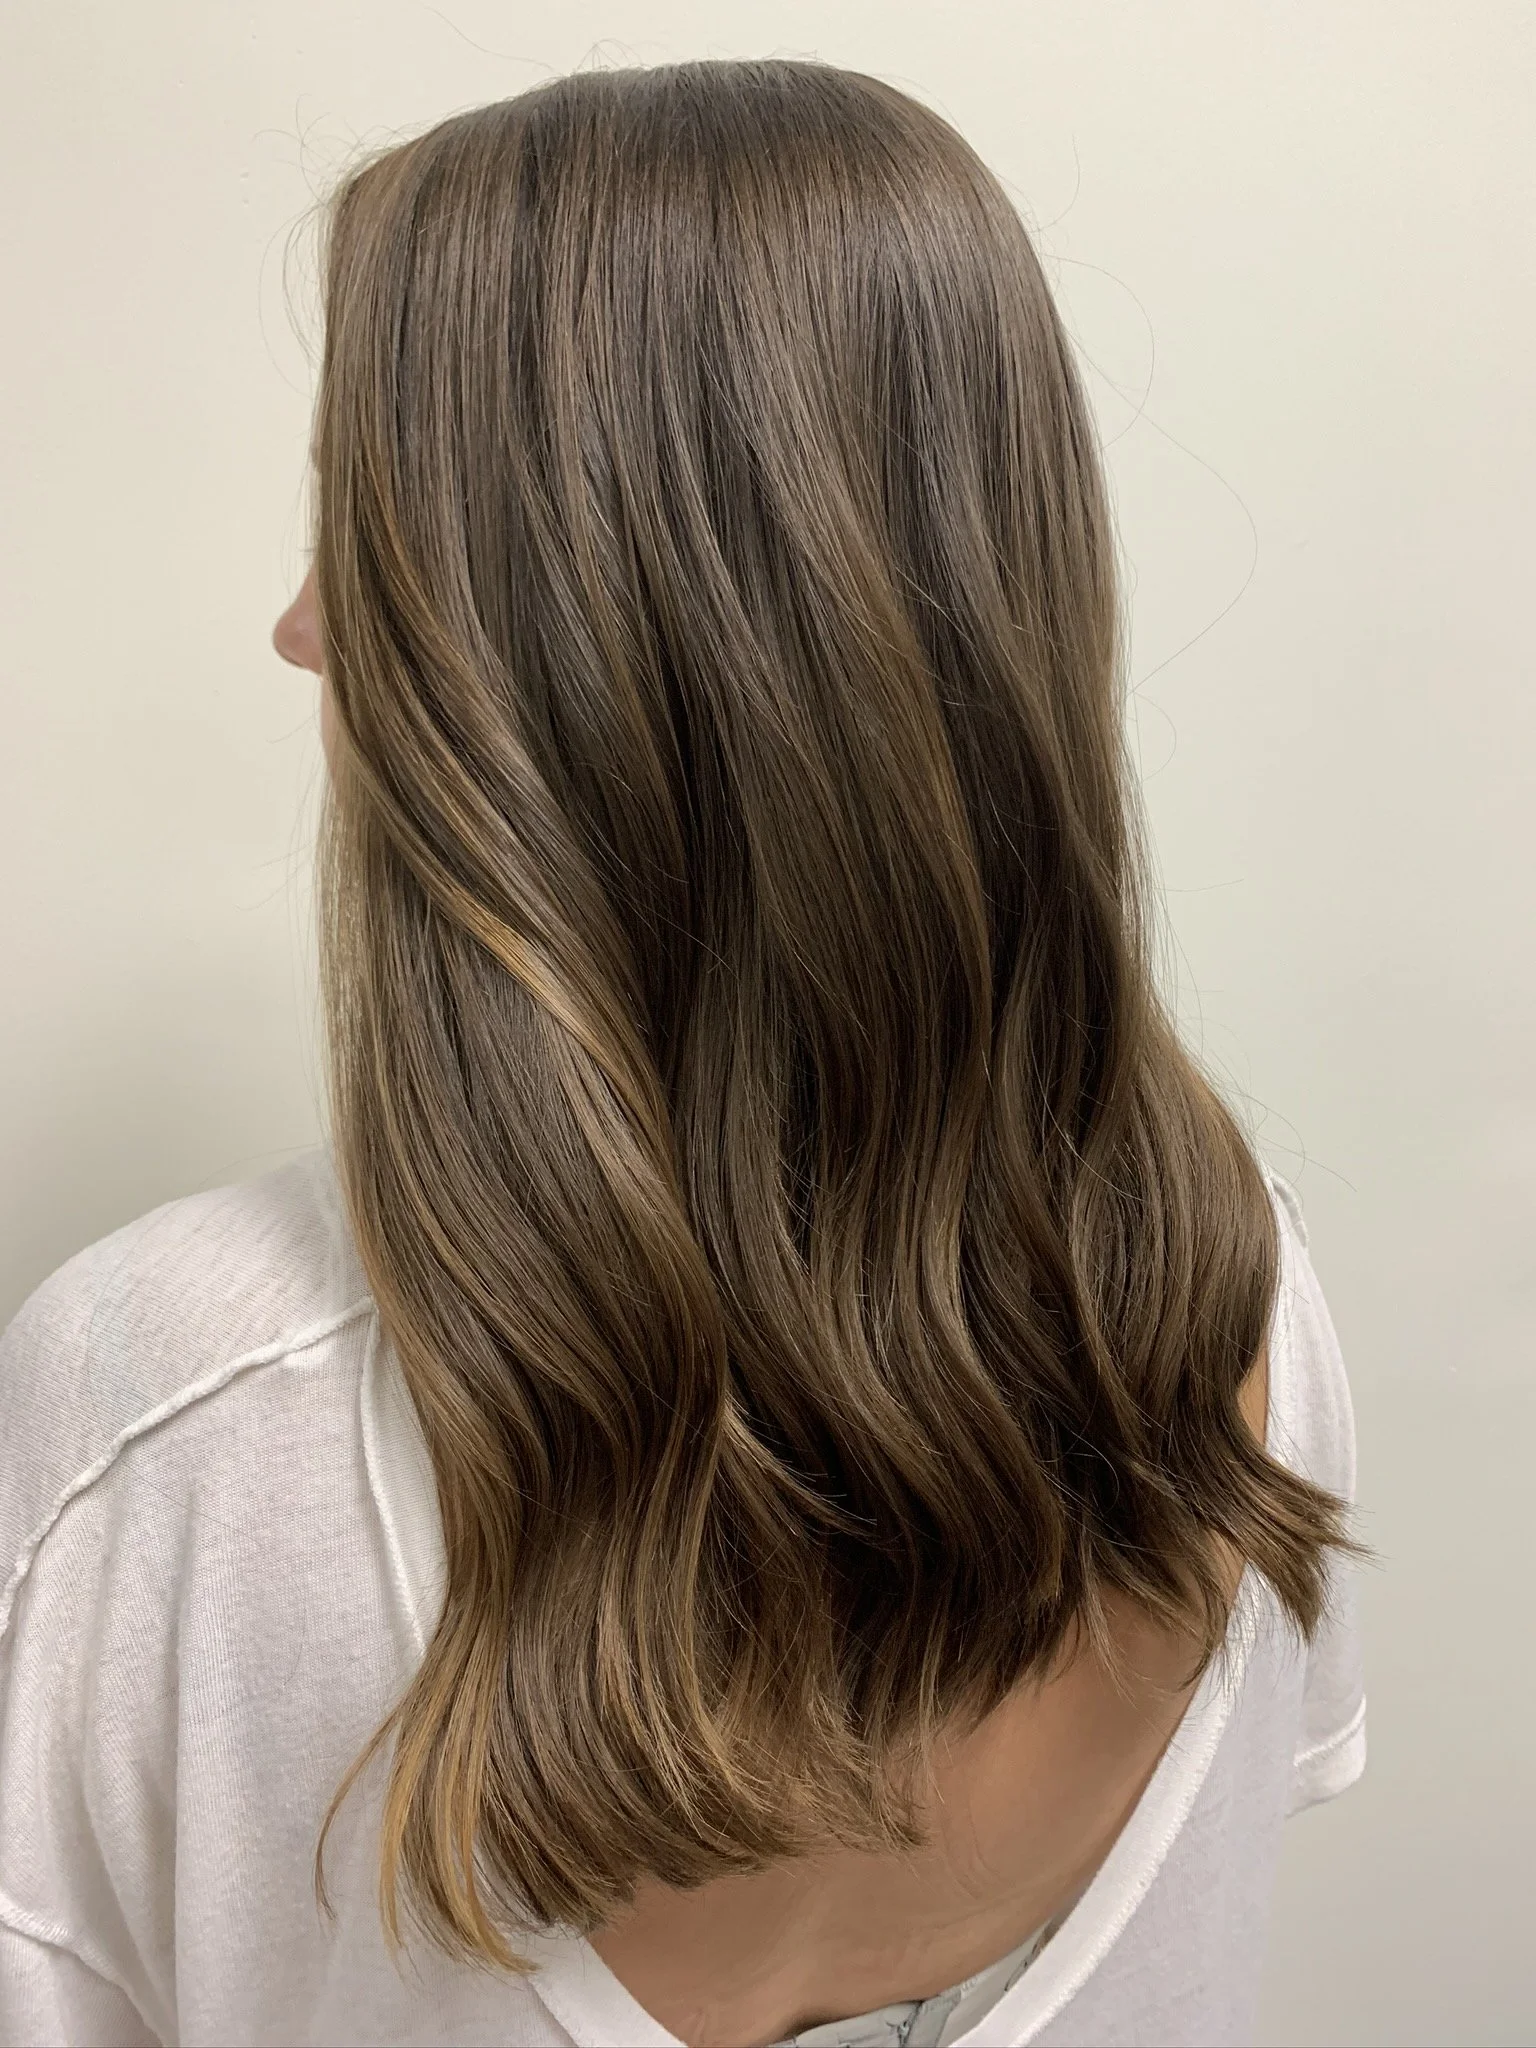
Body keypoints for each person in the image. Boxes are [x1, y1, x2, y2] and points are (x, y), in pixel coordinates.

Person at [0, 56, 1368, 2048]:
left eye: (358, 532)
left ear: (544, 642)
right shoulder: (1243, 1316)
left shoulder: (174, 1422)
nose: (305, 627)